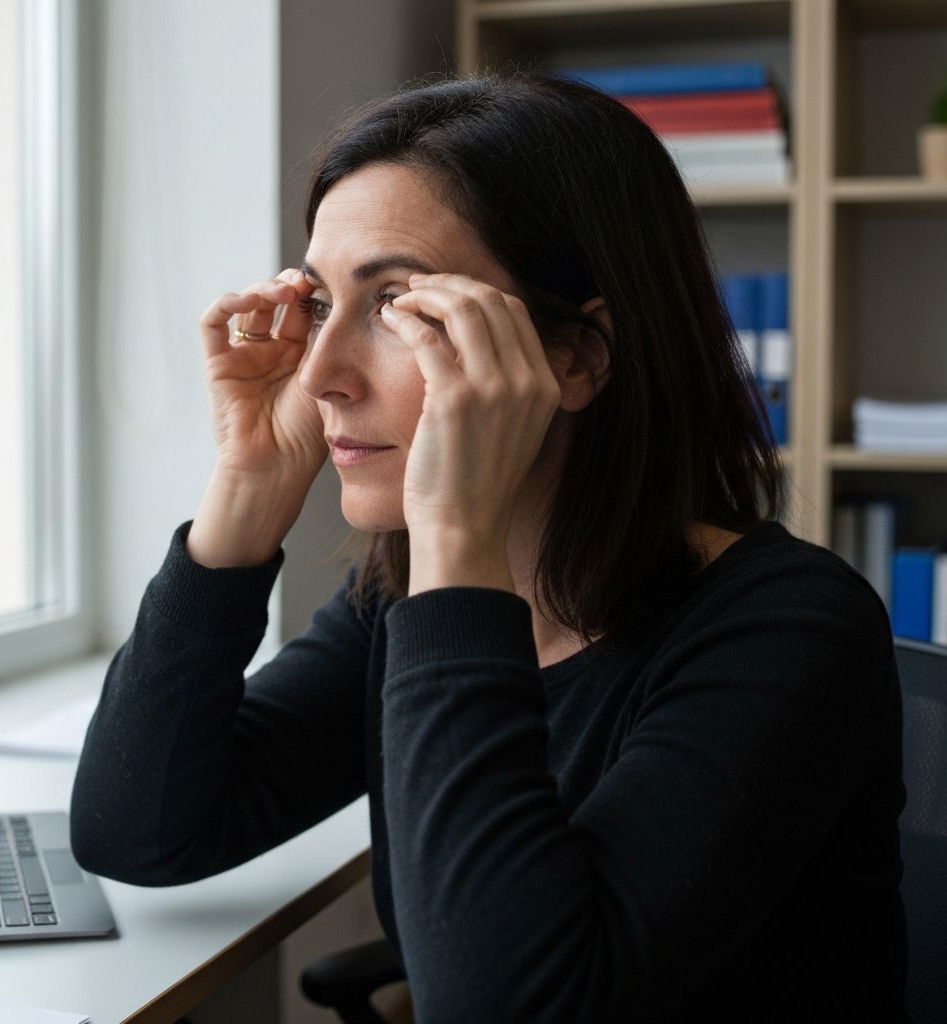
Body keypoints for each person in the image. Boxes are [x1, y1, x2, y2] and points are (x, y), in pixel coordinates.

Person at [70, 71, 908, 1022]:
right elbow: (132, 831)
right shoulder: (400, 605)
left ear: (576, 357)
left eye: (396, 305)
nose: (325, 374)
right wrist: (249, 490)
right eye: (319, 304)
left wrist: (455, 539)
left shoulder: (793, 630)